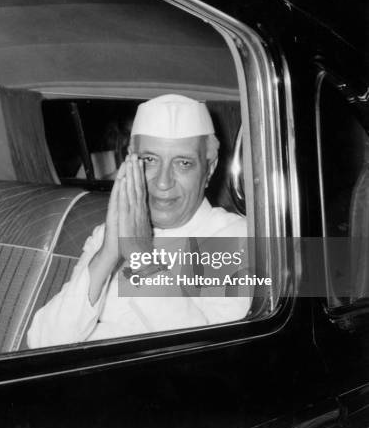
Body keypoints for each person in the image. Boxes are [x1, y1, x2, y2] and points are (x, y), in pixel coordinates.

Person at [27, 94, 249, 347]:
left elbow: (212, 355)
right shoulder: (107, 234)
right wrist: (108, 254)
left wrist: (142, 259)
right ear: (129, 161)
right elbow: (42, 342)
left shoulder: (239, 238)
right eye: (149, 161)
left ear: (209, 170)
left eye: (184, 163)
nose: (163, 182)